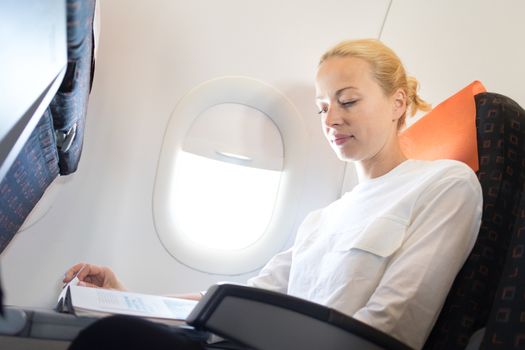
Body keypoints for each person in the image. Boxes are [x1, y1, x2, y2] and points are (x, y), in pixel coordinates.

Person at [64, 39, 482, 350]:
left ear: (397, 103)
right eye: (322, 108)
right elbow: (242, 298)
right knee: (111, 333)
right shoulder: (323, 218)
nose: (332, 119)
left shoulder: (445, 185)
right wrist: (125, 298)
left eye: (348, 101)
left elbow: (392, 328)